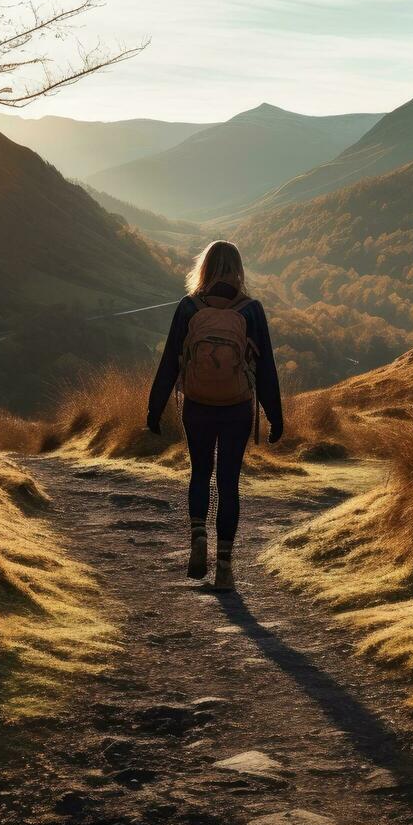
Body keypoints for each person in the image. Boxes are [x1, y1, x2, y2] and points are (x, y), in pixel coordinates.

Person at [147, 240, 282, 592]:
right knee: (228, 483)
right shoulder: (251, 310)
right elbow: (266, 368)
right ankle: (224, 566)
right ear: (238, 269)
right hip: (237, 407)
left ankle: (197, 541)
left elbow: (169, 361)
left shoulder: (189, 307)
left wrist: (154, 407)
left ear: (203, 268)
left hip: (197, 405)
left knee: (200, 473)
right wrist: (275, 417)